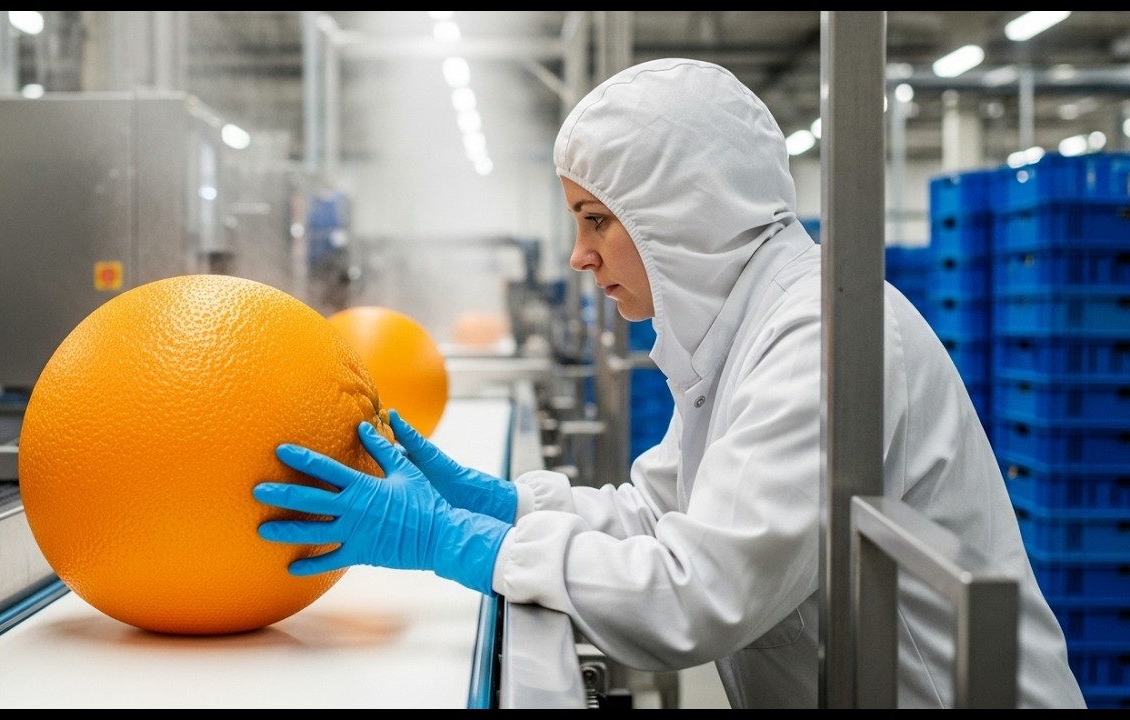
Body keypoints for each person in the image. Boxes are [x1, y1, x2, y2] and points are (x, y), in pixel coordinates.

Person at [251, 58, 1086, 709]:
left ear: (682, 212)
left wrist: (454, 543)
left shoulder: (819, 337)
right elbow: (662, 513)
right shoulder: (740, 328)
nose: (580, 256)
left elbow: (700, 594)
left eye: (596, 221)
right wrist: (500, 504)